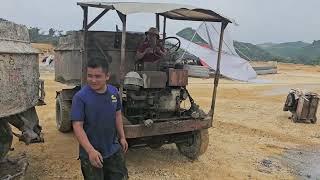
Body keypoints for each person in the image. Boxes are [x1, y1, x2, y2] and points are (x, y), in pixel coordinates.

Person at [71, 58, 128, 180]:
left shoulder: (113, 92)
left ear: (107, 76)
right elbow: (77, 126)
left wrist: (122, 137)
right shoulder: (80, 97)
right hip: (92, 153)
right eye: (89, 76)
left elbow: (117, 115)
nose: (93, 80)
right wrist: (90, 151)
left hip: (113, 150)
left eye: (98, 76)